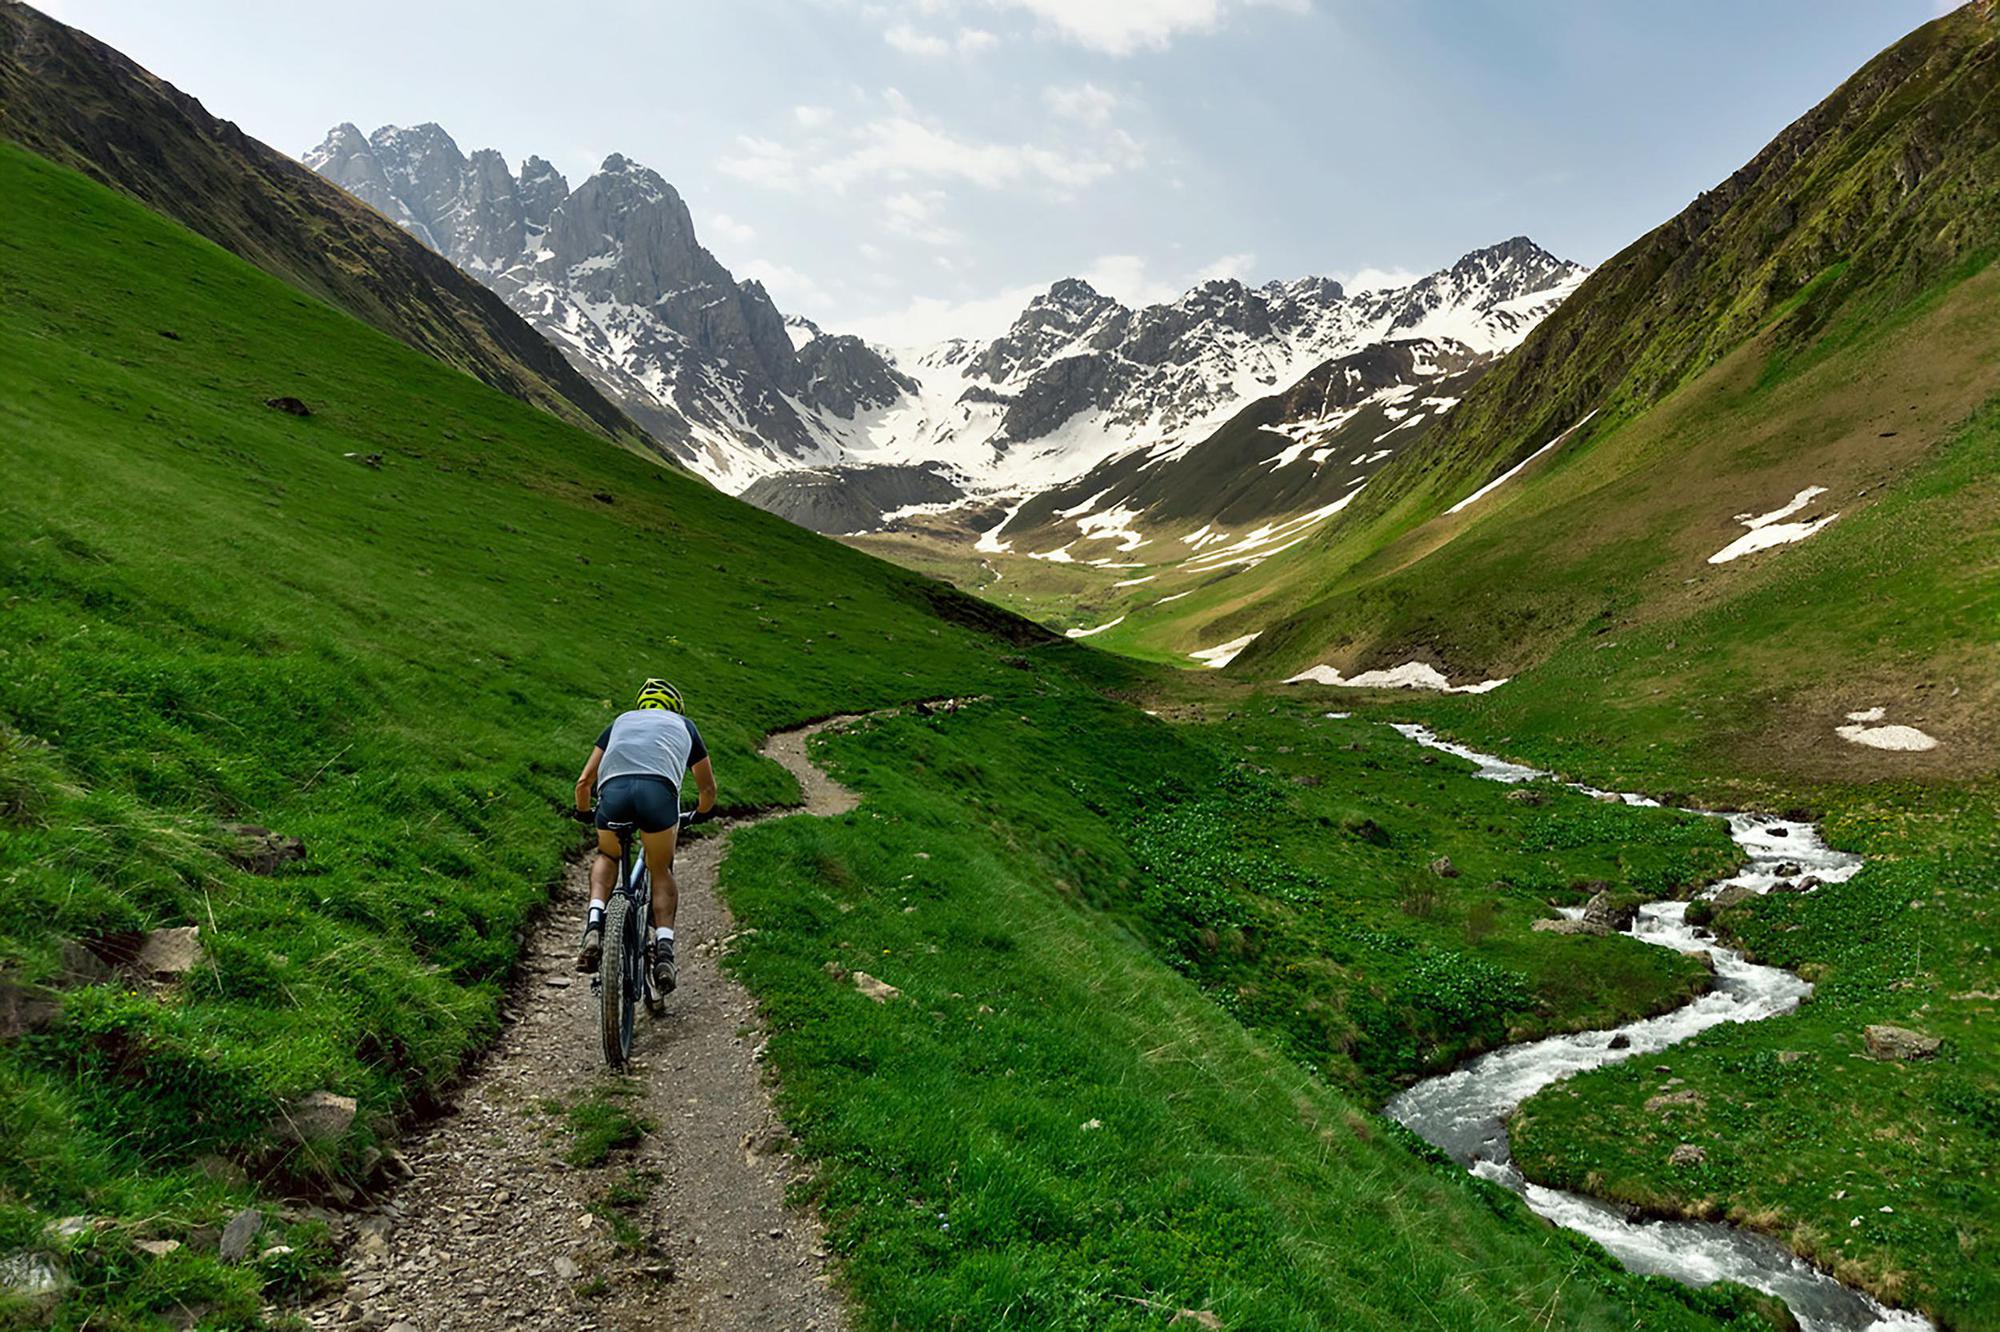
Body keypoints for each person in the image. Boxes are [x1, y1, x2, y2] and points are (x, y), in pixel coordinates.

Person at [573, 678, 716, 993]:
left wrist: (584, 812)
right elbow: (707, 788)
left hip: (614, 795)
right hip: (658, 795)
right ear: (674, 707)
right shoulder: (685, 726)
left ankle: (595, 923)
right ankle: (664, 950)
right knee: (659, 868)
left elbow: (584, 781)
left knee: (608, 855)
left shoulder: (619, 722)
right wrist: (702, 813)